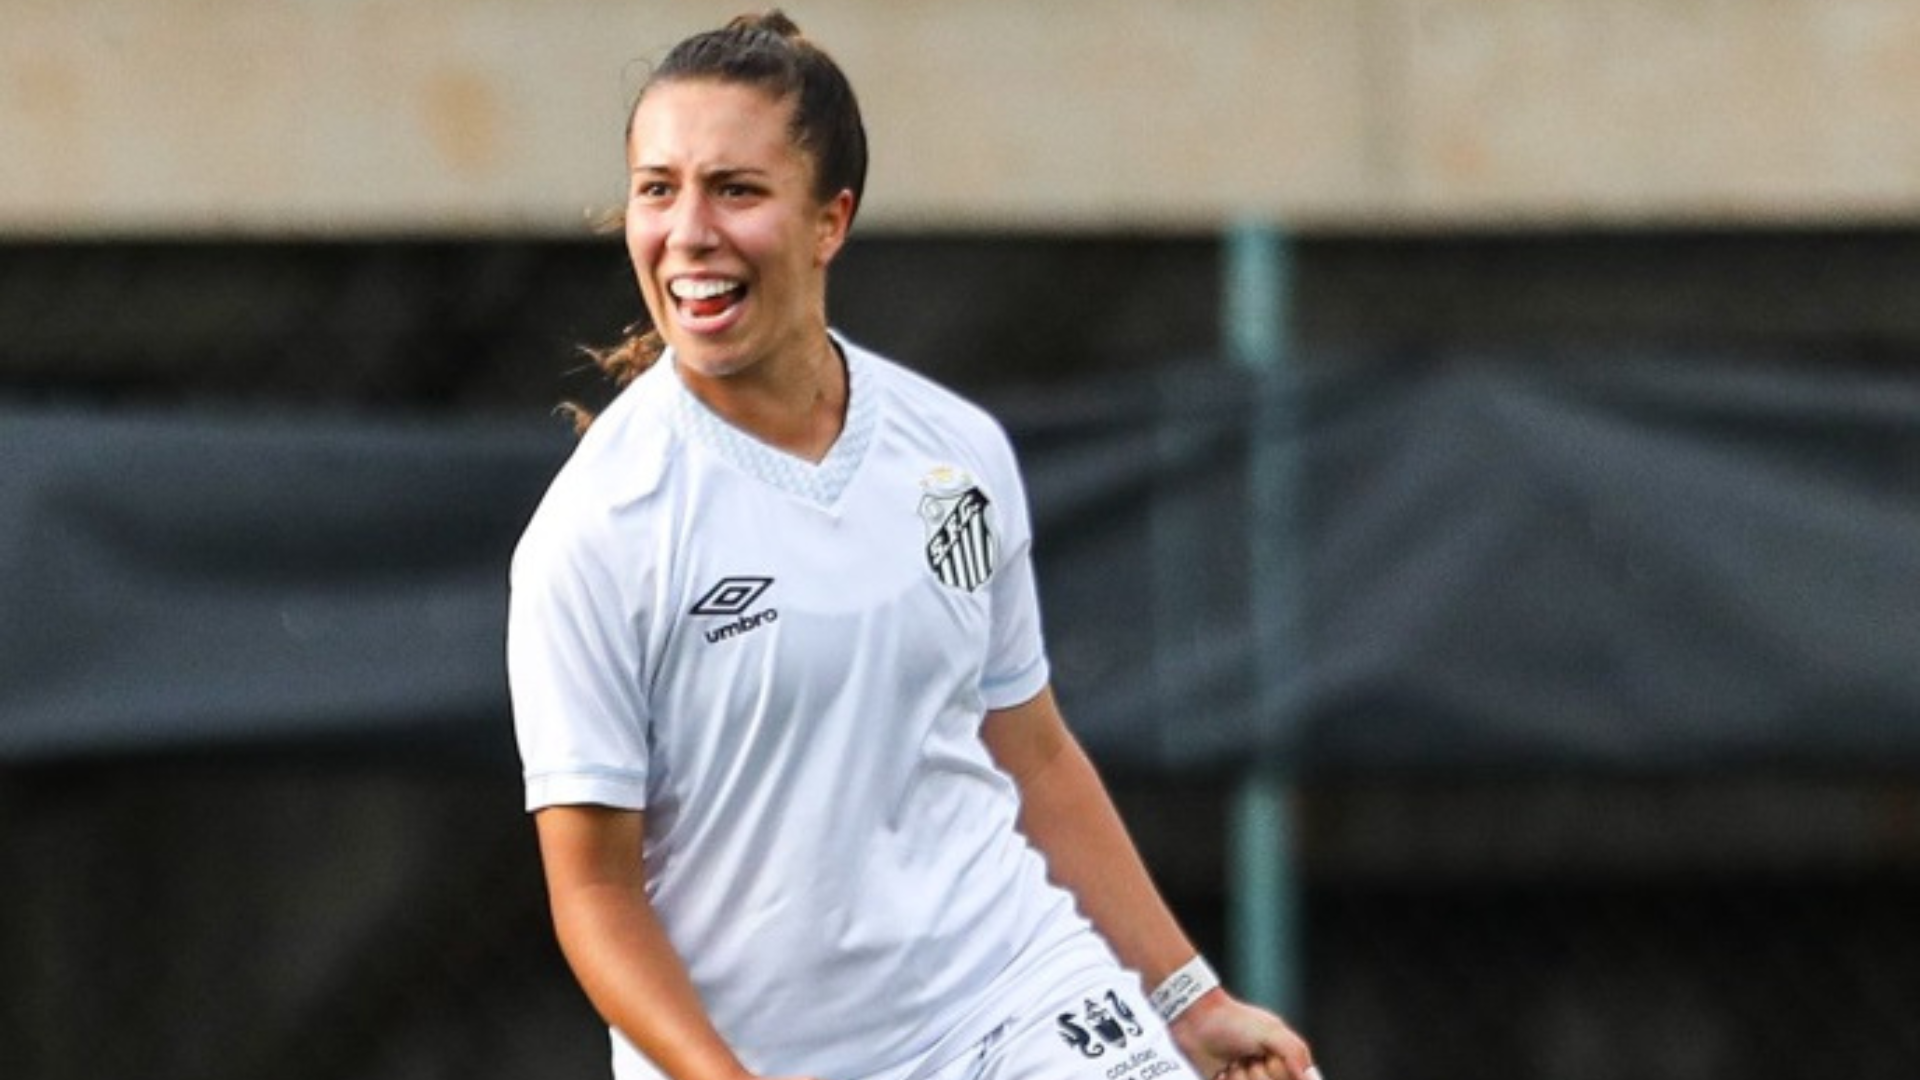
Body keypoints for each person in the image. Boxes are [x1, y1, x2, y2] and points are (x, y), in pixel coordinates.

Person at [506, 12, 1321, 1080]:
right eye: (658, 189)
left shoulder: (956, 456)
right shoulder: (597, 529)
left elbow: (1026, 748)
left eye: (736, 190)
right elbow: (595, 893)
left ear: (829, 221)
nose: (689, 232)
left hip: (1011, 994)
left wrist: (1191, 1000)